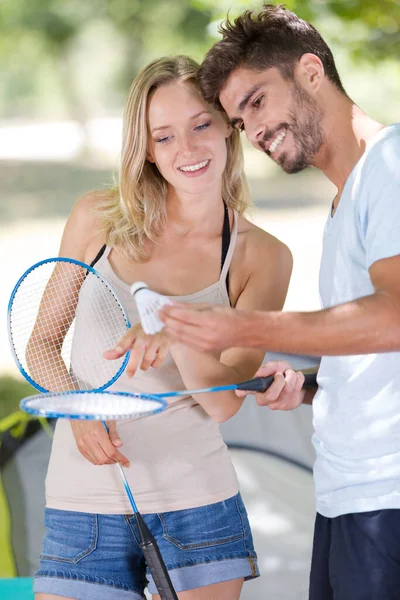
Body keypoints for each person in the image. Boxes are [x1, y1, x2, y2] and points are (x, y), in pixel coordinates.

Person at [159, 6, 400, 600]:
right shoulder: (346, 201)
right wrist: (313, 384)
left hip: (387, 499)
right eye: (240, 120)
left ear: (311, 70)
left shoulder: (390, 169)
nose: (253, 129)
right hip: (346, 498)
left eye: (257, 101)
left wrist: (240, 325)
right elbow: (371, 348)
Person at [33, 55, 293, 600]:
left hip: (197, 507)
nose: (188, 150)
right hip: (84, 506)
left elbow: (223, 402)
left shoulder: (261, 257)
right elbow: (41, 345)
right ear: (145, 148)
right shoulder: (95, 219)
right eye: (164, 137)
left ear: (228, 125)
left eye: (201, 125)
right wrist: (77, 411)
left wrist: (179, 328)